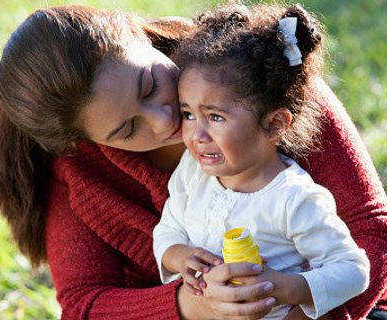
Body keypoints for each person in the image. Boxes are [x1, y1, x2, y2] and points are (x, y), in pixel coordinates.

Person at [0, 3, 387, 320]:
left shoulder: (257, 72)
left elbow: (375, 229)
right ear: (86, 141)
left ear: (138, 34)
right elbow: (85, 304)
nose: (165, 119)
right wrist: (191, 305)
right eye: (127, 130)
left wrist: (305, 311)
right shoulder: (78, 170)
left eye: (149, 85)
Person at [152, 5, 370, 319]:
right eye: (188, 114)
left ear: (274, 124)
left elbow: (353, 271)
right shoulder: (192, 171)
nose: (196, 134)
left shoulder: (293, 199)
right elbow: (168, 228)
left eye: (215, 116)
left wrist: (284, 287)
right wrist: (180, 256)